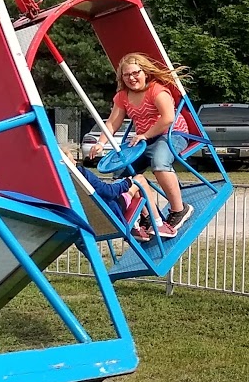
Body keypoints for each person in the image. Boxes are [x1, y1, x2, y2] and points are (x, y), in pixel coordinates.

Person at [92, 53, 194, 239]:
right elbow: (112, 123)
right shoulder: (122, 96)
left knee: (159, 162)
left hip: (172, 134)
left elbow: (168, 118)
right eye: (126, 75)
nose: (131, 78)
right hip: (145, 139)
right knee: (123, 173)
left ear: (145, 72)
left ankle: (179, 209)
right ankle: (147, 216)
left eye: (135, 73)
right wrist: (101, 143)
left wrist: (145, 135)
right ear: (121, 78)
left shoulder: (157, 90)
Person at [60, 144, 162, 242]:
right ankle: (157, 222)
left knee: (125, 183)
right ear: (70, 164)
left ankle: (143, 221)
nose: (75, 161)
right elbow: (108, 192)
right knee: (139, 180)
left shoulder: (61, 184)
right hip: (111, 210)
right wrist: (126, 183)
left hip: (90, 221)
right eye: (72, 159)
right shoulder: (82, 174)